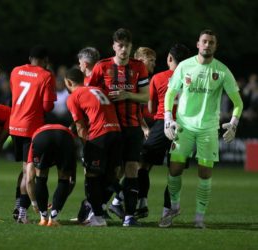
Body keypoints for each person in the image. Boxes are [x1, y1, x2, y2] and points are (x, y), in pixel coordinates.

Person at [161, 29, 243, 228]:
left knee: (205, 174)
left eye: (211, 42)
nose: (207, 45)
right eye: (204, 41)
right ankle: (174, 207)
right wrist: (168, 118)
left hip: (207, 129)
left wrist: (233, 123)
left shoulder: (222, 70)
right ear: (198, 44)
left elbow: (238, 102)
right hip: (184, 127)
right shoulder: (184, 66)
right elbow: (170, 93)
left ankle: (199, 218)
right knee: (174, 170)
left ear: (215, 46)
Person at [88, 28, 149, 226]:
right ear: (114, 46)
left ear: (131, 47)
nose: (123, 50)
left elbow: (146, 96)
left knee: (131, 168)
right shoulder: (101, 66)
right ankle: (94, 209)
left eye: (127, 46)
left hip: (132, 127)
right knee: (109, 172)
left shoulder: (139, 67)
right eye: (120, 46)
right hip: (109, 128)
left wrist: (127, 95)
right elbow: (89, 94)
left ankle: (129, 216)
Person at [135, 44, 190, 220]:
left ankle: (141, 202)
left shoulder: (158, 78)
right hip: (184, 127)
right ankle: (168, 210)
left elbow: (150, 108)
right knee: (174, 172)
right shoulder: (192, 79)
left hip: (161, 124)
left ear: (169, 59)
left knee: (143, 165)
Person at [66, 68, 122, 227]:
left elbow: (80, 126)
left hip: (100, 135)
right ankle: (97, 208)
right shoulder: (98, 89)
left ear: (68, 82)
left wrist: (86, 148)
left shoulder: (73, 96)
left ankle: (97, 217)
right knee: (110, 176)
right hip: (116, 132)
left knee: (92, 176)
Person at [9, 45, 57, 223]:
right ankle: (22, 212)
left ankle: (19, 206)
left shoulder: (15, 71)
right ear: (45, 60)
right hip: (31, 127)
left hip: (14, 125)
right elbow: (47, 106)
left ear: (30, 58)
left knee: (24, 169)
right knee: (29, 172)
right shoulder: (46, 75)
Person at [26, 124, 77, 226]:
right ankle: (53, 219)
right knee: (64, 178)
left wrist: (34, 203)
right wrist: (58, 202)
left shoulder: (37, 135)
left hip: (41, 137)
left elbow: (29, 179)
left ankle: (43, 218)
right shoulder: (70, 136)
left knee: (40, 177)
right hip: (64, 138)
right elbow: (72, 180)